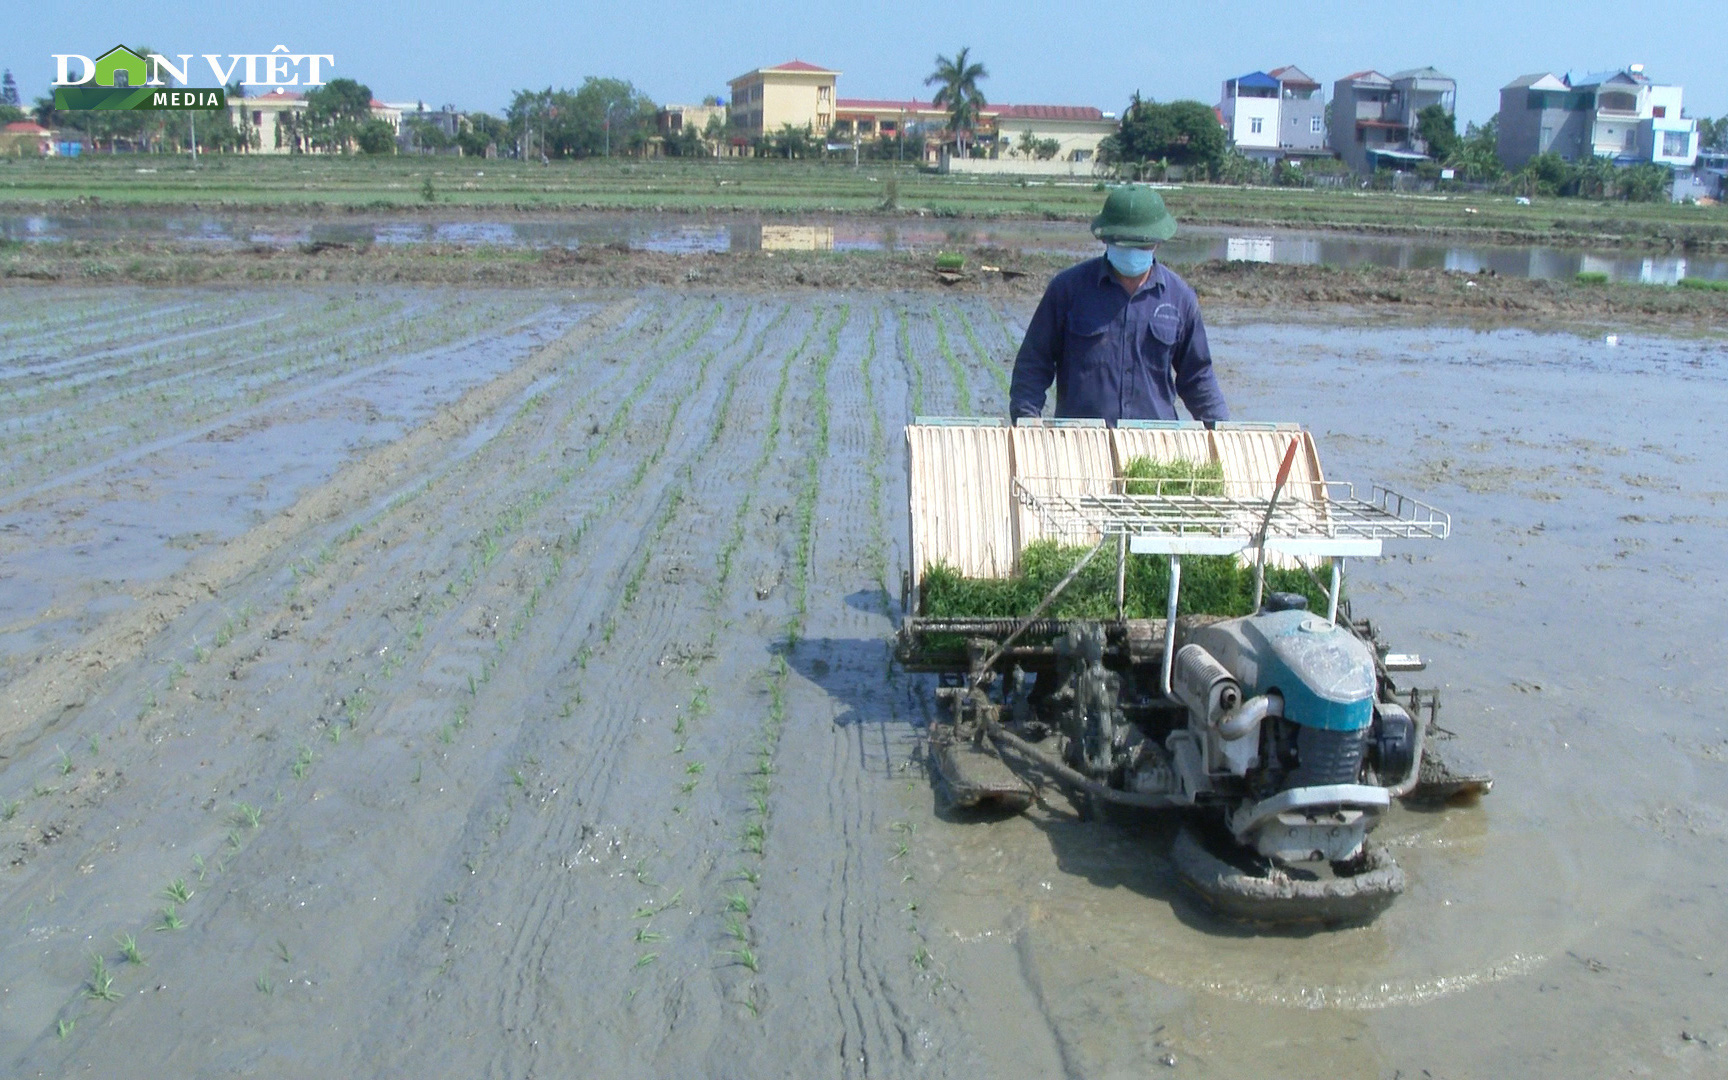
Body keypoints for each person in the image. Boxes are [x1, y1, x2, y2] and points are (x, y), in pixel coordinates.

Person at [1009, 185, 1228, 426]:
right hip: (1080, 441)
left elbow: (1197, 376)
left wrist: (1220, 431)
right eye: (1124, 243)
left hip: (1155, 443)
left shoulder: (1179, 298)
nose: (1132, 252)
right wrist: (1027, 420)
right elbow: (1033, 363)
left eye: (1141, 244)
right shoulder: (1068, 290)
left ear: (1158, 242)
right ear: (1105, 238)